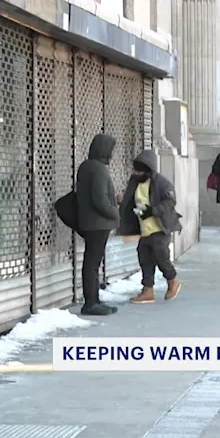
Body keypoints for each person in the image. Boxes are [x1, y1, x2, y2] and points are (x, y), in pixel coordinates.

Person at [118, 149, 183, 304]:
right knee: (144, 256)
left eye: (140, 170)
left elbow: (170, 201)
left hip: (159, 227)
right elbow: (130, 199)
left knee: (161, 256)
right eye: (135, 170)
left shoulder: (161, 182)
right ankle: (148, 290)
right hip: (144, 228)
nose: (137, 173)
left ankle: (172, 280)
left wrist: (153, 211)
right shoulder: (134, 181)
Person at [75, 133, 120, 316]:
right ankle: (91, 303)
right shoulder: (98, 168)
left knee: (92, 263)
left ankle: (93, 299)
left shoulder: (86, 166)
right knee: (93, 263)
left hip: (89, 222)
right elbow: (100, 199)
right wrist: (115, 213)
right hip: (98, 224)